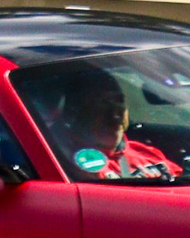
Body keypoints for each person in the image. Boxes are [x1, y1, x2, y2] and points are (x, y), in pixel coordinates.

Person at [36, 64, 182, 182]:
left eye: (119, 101)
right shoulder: (62, 161)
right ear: (74, 113)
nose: (114, 112)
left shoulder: (147, 153)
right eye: (101, 103)